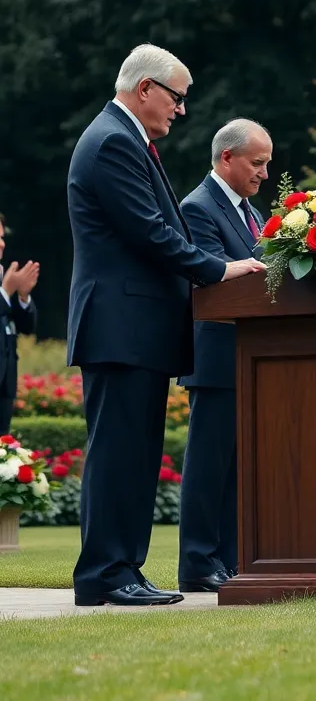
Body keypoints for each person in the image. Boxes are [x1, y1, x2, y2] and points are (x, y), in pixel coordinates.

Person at [66, 44, 264, 607]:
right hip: (120, 324)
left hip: (135, 327)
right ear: (146, 89)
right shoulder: (112, 143)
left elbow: (156, 230)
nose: (181, 109)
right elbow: (151, 233)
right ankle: (105, 572)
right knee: (119, 453)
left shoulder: (127, 140)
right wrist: (221, 268)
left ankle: (122, 567)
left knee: (134, 453)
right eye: (177, 97)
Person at [176, 119, 272, 592]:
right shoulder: (198, 208)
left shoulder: (251, 212)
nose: (264, 173)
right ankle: (198, 562)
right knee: (209, 466)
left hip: (250, 358)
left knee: (238, 467)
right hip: (217, 357)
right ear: (226, 158)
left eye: (267, 163)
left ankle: (232, 559)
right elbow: (213, 280)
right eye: (257, 163)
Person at [0, 213, 39, 436]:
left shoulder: (4, 277)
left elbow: (26, 328)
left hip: (5, 387)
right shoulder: (5, 284)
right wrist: (5, 292)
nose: (2, 244)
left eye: (2, 237)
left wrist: (23, 297)